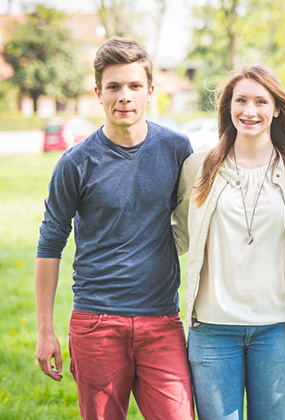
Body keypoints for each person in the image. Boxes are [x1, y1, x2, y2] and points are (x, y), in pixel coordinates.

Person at [34, 38, 194, 419]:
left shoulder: (176, 149)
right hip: (96, 321)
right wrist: (44, 329)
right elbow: (50, 243)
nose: (125, 96)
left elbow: (196, 219)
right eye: (114, 87)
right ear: (98, 93)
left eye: (135, 86)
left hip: (162, 320)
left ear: (151, 91)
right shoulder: (76, 163)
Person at [171, 65, 285, 420]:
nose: (249, 111)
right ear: (228, 106)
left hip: (278, 329)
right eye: (241, 101)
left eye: (260, 101)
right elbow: (177, 234)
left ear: (277, 108)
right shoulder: (198, 167)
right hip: (213, 328)